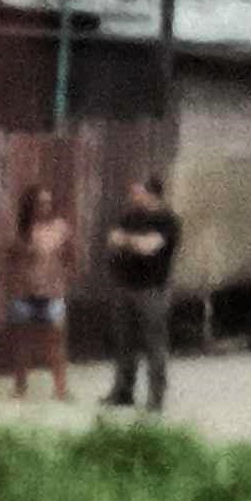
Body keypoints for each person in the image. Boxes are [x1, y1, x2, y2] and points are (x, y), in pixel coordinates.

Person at [101, 176, 181, 413]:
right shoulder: (130, 217)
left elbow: (150, 247)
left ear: (152, 193)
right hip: (125, 285)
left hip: (152, 289)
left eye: (138, 192)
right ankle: (123, 392)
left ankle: (156, 397)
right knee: (124, 341)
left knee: (154, 343)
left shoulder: (167, 220)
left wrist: (127, 241)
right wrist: (132, 242)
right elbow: (112, 240)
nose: (133, 196)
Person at [6, 183, 74, 402]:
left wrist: (64, 278)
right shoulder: (20, 230)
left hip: (52, 293)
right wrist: (11, 285)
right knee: (22, 343)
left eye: (48, 201)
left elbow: (71, 257)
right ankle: (20, 386)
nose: (46, 206)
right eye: (40, 202)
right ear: (30, 205)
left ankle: (61, 388)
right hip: (24, 293)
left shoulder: (60, 228)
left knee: (55, 341)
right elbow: (8, 260)